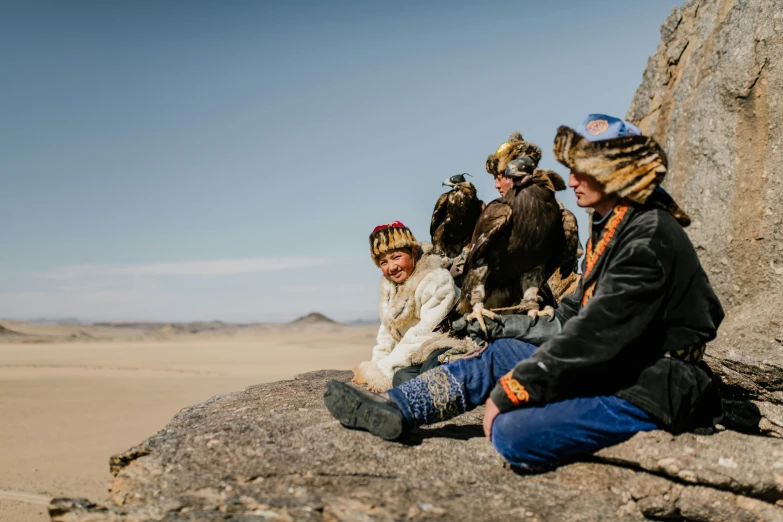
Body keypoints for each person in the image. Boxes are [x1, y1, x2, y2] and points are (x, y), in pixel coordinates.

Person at [325, 115, 724, 471]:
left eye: (584, 172)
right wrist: (504, 326)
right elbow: (573, 315)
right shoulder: (615, 224)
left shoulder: (647, 237)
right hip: (614, 362)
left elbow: (596, 334)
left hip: (654, 380)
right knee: (497, 354)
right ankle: (397, 408)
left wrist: (520, 387)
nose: (570, 181)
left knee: (512, 431)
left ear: (617, 174)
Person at [351, 221, 458, 392]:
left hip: (444, 344)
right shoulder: (391, 286)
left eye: (396, 257)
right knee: (402, 378)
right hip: (414, 352)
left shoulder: (436, 279)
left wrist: (385, 369)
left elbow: (427, 331)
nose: (391, 267)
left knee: (432, 372)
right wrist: (377, 365)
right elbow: (388, 331)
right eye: (383, 262)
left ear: (413, 252)